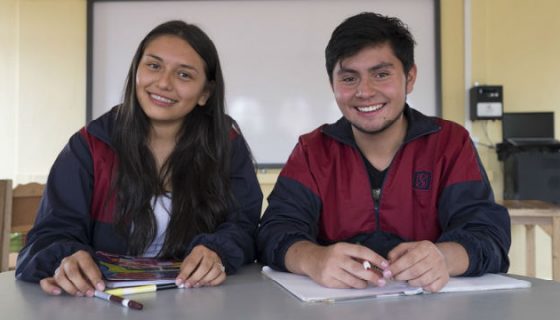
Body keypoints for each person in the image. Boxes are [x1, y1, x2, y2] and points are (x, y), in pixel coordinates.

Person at [257, 12, 510, 293]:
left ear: (410, 77)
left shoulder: (450, 143)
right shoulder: (312, 151)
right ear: (333, 85)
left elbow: (489, 234)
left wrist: (444, 257)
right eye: (349, 78)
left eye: (381, 74)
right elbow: (274, 231)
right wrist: (313, 259)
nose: (365, 92)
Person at [16, 20, 263, 297]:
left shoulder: (225, 143)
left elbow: (244, 226)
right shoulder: (90, 146)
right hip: (99, 303)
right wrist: (66, 259)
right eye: (153, 66)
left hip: (198, 300)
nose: (163, 83)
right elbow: (47, 237)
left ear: (205, 93)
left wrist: (217, 250)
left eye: (184, 75)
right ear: (136, 71)